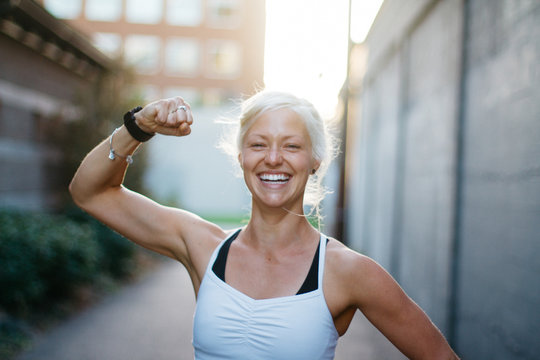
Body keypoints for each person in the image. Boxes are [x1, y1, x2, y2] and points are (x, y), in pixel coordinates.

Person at [69, 90, 459, 359]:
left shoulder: (347, 271)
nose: (273, 158)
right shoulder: (202, 246)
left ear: (315, 160)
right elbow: (90, 192)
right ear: (240, 157)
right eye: (258, 144)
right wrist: (138, 127)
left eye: (291, 145)